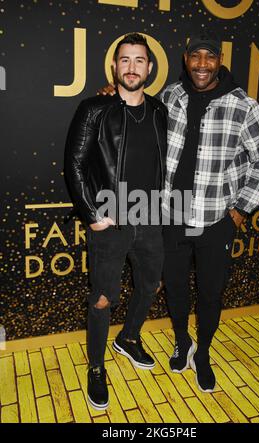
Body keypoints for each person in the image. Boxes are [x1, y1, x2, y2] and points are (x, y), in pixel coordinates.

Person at [97, 28, 259, 394]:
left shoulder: (243, 105)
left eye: (210, 57)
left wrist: (242, 207)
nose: (202, 64)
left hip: (216, 220)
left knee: (211, 294)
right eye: (196, 56)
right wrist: (110, 96)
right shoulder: (171, 96)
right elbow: (136, 111)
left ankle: (204, 353)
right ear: (186, 60)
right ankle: (182, 342)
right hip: (172, 216)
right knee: (176, 289)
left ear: (219, 62)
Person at [64, 33, 167, 410]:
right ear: (114, 66)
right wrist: (92, 215)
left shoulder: (159, 111)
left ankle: (129, 338)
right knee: (103, 298)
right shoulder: (94, 109)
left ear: (149, 67)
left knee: (151, 286)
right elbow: (73, 165)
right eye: (125, 60)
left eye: (139, 60)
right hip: (110, 218)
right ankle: (95, 366)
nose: (131, 67)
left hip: (150, 215)